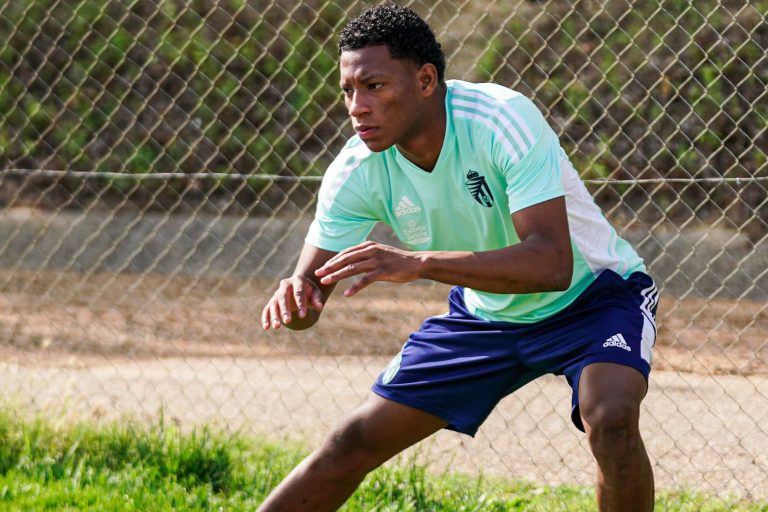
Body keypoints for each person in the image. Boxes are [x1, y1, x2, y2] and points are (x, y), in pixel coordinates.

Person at [259, 4, 659, 511]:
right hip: (486, 315)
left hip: (593, 298)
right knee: (352, 442)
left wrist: (422, 263)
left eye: (374, 86)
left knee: (612, 417)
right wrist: (297, 297)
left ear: (426, 79)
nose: (356, 106)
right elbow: (307, 300)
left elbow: (552, 264)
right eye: (348, 91)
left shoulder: (501, 119)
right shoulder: (356, 169)